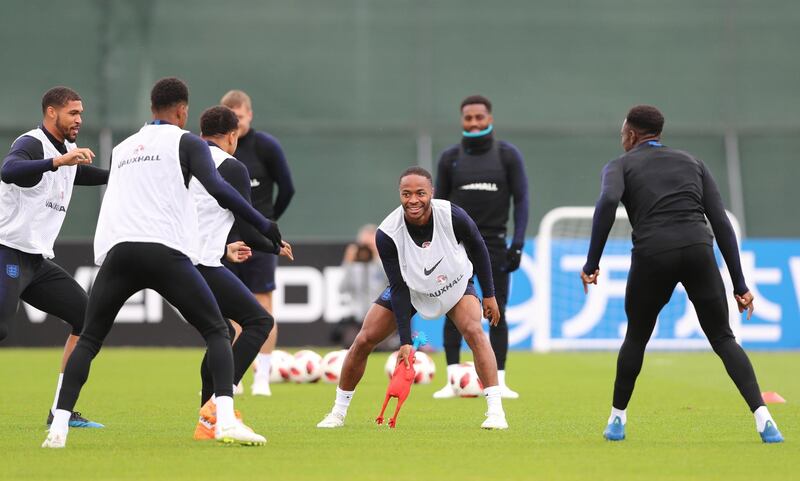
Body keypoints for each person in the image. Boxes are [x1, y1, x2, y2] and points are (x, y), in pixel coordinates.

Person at [42, 77, 283, 448]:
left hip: (118, 252)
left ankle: (58, 427)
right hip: (165, 252)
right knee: (218, 332)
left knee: (89, 338)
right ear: (182, 111)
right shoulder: (187, 142)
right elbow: (218, 189)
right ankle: (223, 421)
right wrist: (266, 224)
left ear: (151, 108)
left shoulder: (123, 148)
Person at [581, 104, 783, 443]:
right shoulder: (693, 163)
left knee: (637, 337)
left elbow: (606, 202)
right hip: (697, 250)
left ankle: (617, 420)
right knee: (722, 337)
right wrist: (740, 284)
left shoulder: (619, 165)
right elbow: (720, 222)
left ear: (631, 135)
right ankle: (765, 420)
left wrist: (592, 263)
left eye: (622, 134)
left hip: (652, 254)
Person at [317, 166, 509, 430]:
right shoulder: (387, 234)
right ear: (399, 194)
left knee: (474, 331)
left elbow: (479, 248)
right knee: (363, 339)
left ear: (432, 192)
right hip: (412, 288)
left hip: (455, 283)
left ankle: (496, 412)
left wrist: (489, 294)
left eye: (420, 193)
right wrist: (405, 342)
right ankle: (337, 413)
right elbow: (397, 287)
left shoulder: (453, 216)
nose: (413, 200)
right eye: (406, 194)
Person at [0, 86, 107, 429]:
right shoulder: (32, 143)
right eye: (73, 113)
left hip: (36, 261)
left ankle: (61, 411)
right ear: (51, 112)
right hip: (7, 250)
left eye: (81, 113)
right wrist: (57, 161)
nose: (79, 119)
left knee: (87, 317)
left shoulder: (68, 152)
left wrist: (122, 176)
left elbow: (80, 174)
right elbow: (10, 170)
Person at [189, 105, 294, 439]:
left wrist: (224, 248)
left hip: (175, 263)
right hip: (202, 264)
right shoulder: (231, 166)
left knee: (217, 333)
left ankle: (208, 417)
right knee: (260, 320)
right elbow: (246, 226)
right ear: (232, 136)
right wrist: (273, 244)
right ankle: (220, 405)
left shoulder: (183, 161)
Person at [433, 94, 529, 399]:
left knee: (497, 309)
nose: (474, 123)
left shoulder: (507, 155)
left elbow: (522, 200)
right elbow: (439, 205)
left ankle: (498, 381)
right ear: (462, 120)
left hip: (495, 245)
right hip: (456, 246)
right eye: (468, 118)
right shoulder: (450, 158)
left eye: (479, 118)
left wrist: (518, 242)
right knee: (452, 309)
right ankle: (451, 380)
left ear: (490, 119)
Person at [220, 90, 295, 396]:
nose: (236, 123)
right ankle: (233, 377)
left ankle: (262, 376)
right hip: (224, 236)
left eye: (239, 116)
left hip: (260, 238)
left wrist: (268, 223)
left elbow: (287, 188)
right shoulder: (217, 148)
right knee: (230, 309)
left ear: (249, 114)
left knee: (263, 304)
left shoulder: (266, 146)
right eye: (230, 118)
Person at [335, 224, 393, 349]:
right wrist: (348, 262)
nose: (366, 249)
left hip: (379, 318)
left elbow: (392, 281)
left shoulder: (381, 264)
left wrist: (377, 255)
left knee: (384, 345)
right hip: (357, 320)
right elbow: (342, 288)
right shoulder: (353, 267)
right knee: (351, 343)